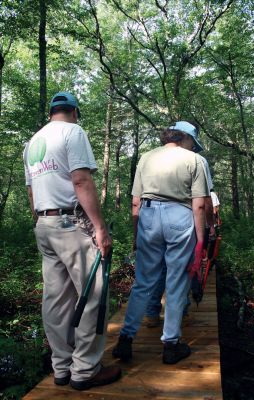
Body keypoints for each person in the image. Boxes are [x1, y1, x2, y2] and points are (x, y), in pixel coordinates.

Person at [23, 92, 121, 391]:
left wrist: (41, 220)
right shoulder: (73, 132)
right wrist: (100, 227)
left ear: (52, 111)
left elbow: (31, 192)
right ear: (74, 111)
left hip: (44, 223)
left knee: (56, 299)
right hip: (72, 223)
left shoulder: (32, 143)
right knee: (93, 294)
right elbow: (81, 180)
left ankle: (62, 367)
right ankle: (85, 370)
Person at [112, 121, 209, 364]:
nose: (193, 147)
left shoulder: (146, 157)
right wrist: (200, 240)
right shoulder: (193, 160)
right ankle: (171, 344)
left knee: (144, 282)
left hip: (148, 215)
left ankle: (125, 339)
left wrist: (137, 234)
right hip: (180, 216)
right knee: (176, 282)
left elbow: (135, 201)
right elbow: (198, 204)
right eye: (192, 143)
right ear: (185, 139)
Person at [144, 152, 215, 327]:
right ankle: (180, 311)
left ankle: (152, 312)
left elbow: (139, 200)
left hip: (155, 221)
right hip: (184, 223)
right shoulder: (198, 162)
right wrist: (210, 225)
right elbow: (204, 200)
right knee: (182, 268)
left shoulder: (157, 158)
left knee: (160, 268)